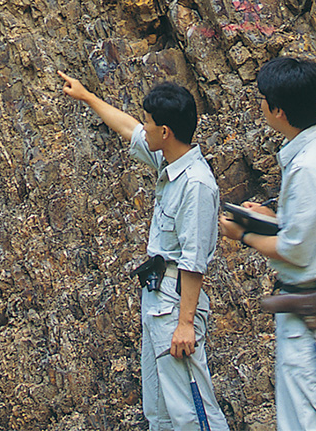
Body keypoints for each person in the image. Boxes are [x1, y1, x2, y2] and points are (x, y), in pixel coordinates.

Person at [60, 71, 230, 431]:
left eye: (151, 124)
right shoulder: (169, 163)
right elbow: (128, 128)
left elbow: (194, 260)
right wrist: (88, 97)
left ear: (165, 132)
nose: (145, 128)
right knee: (160, 412)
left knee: (193, 411)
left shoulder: (197, 184)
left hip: (175, 305)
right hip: (157, 301)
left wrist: (185, 324)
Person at [218, 57, 316, 431]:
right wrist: (270, 221)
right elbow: (314, 229)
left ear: (278, 110)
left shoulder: (307, 167)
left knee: (307, 424)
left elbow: (296, 250)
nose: (260, 105)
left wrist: (244, 234)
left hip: (314, 315)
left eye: (263, 99)